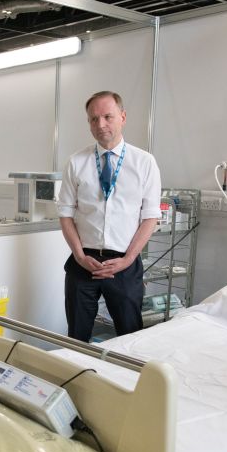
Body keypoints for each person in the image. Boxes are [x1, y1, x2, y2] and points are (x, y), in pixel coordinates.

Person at [57, 91, 162, 342]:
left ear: (122, 117)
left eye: (107, 116)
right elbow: (65, 214)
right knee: (77, 335)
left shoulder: (144, 163)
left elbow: (150, 217)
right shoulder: (76, 162)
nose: (100, 124)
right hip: (84, 263)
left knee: (130, 335)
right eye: (94, 119)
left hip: (124, 264)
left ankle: (126, 380)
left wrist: (129, 258)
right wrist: (80, 256)